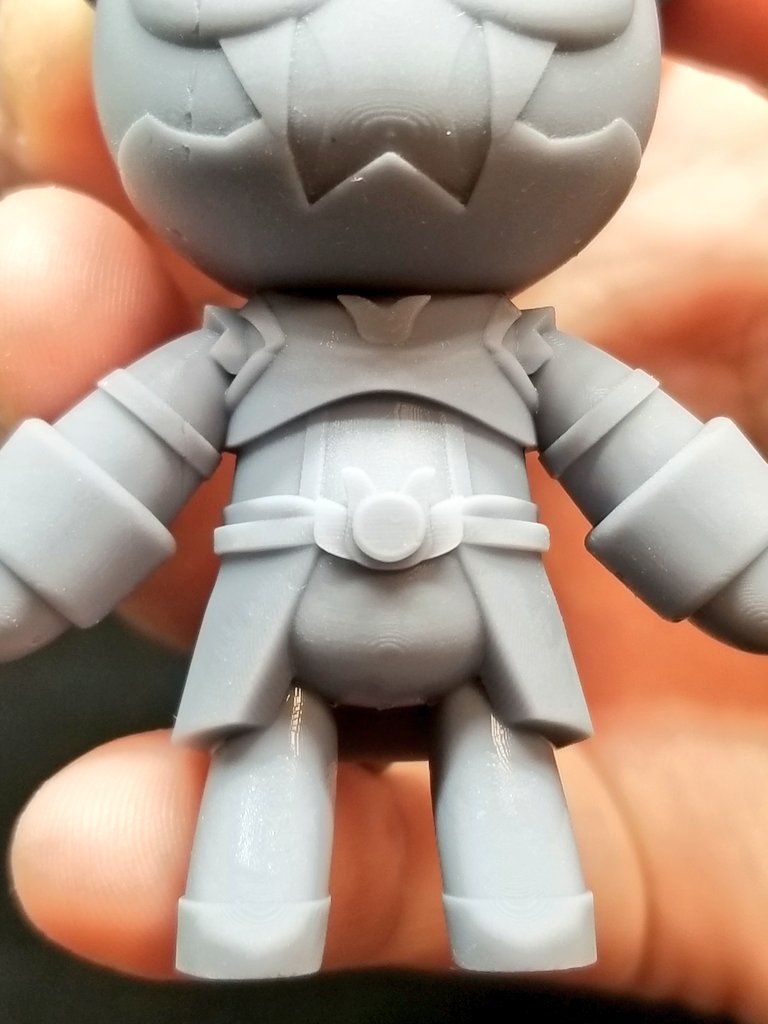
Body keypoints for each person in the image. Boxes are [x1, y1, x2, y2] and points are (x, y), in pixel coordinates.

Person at [3, 0, 768, 1014]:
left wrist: (740, 558)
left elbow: (644, 455)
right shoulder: (237, 356)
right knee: (265, 760)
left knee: (502, 761)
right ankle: (251, 911)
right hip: (282, 618)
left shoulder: (523, 357)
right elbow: (112, 459)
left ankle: (524, 908)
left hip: (487, 618)